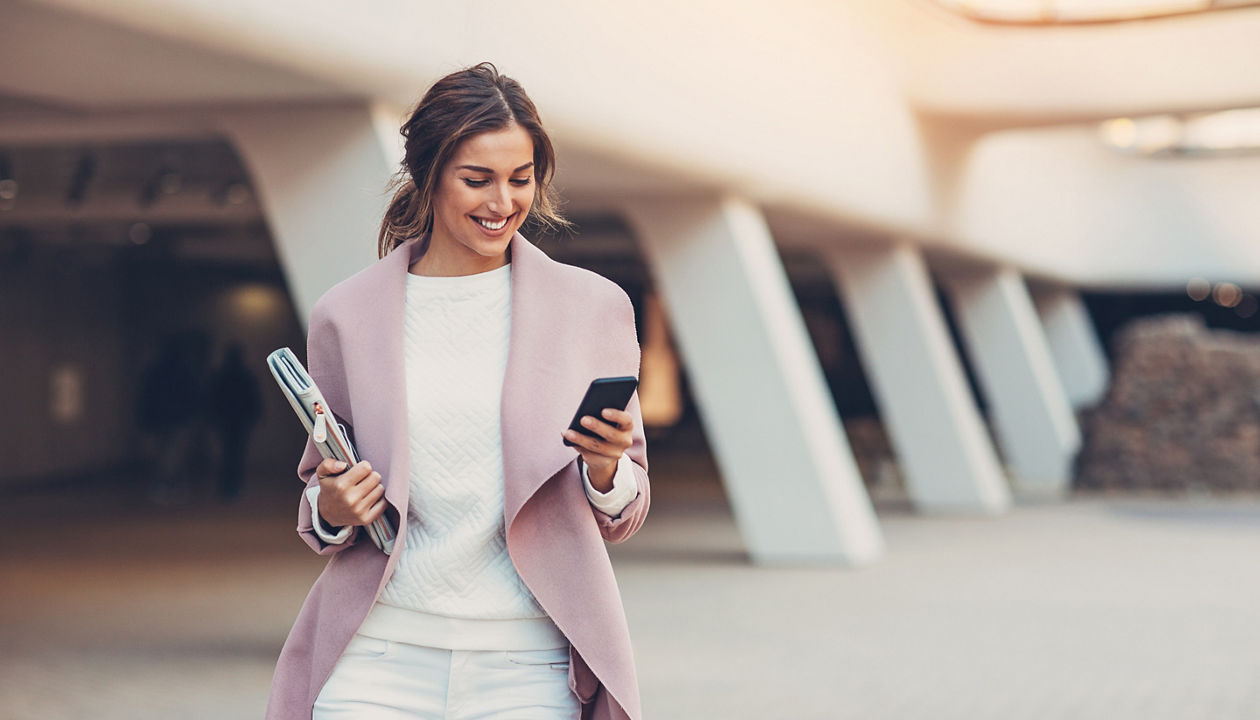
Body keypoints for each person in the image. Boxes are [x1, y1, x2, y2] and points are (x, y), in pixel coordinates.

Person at [266, 63, 651, 720]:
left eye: (520, 179)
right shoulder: (347, 315)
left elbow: (625, 511)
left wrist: (606, 465)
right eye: (477, 180)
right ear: (428, 175)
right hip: (376, 656)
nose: (503, 203)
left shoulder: (592, 308)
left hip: (527, 664)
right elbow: (319, 502)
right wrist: (333, 505)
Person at [206, 341, 262, 501]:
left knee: (228, 453)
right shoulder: (244, 375)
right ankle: (232, 486)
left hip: (229, 420)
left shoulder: (222, 375)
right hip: (236, 420)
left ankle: (228, 486)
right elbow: (253, 398)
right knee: (235, 453)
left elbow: (212, 397)